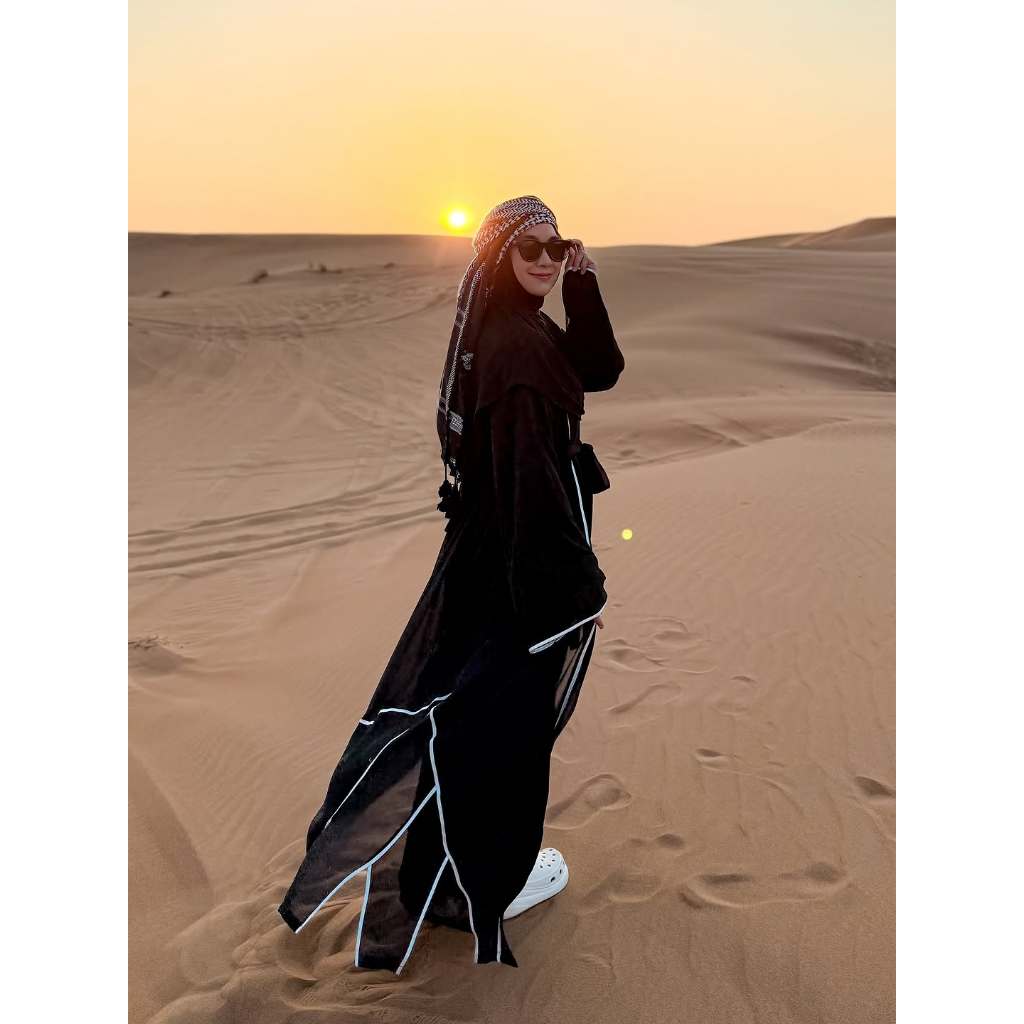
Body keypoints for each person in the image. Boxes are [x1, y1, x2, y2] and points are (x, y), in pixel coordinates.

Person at [277, 195, 625, 974]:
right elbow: (534, 490)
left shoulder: (510, 331)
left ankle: (445, 875)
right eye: (531, 248)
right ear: (499, 256)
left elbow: (599, 369)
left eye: (558, 245)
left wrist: (583, 284)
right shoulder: (519, 353)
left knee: (464, 716)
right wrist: (576, 595)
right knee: (506, 730)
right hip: (523, 573)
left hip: (490, 560)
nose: (546, 258)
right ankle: (485, 886)